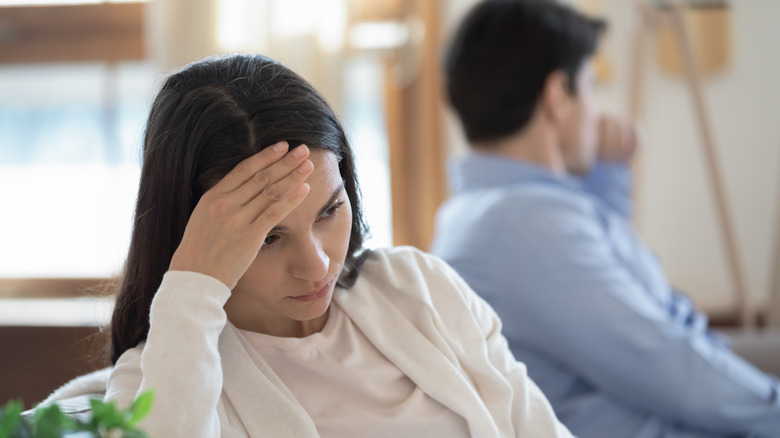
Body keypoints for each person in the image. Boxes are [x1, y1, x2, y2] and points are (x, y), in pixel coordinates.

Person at [62, 53, 579, 438]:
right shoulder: (163, 374)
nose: (316, 266)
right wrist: (190, 292)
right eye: (267, 238)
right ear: (194, 239)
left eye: (330, 210)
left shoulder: (419, 288)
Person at [429, 1, 780, 437]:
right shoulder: (527, 226)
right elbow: (661, 362)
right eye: (592, 85)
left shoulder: (487, 210)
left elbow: (618, 281)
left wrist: (605, 175)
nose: (597, 110)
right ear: (558, 96)